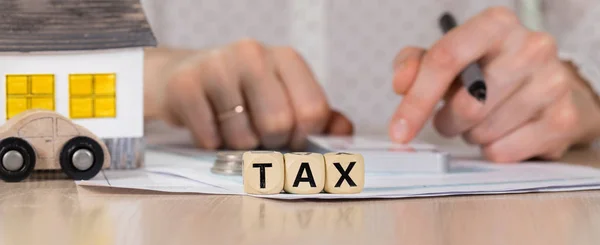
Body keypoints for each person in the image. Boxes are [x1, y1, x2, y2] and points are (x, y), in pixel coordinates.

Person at [143, 4, 600, 163]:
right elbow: (69, 42)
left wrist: (580, 86)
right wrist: (151, 77)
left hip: (478, 235)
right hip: (179, 231)